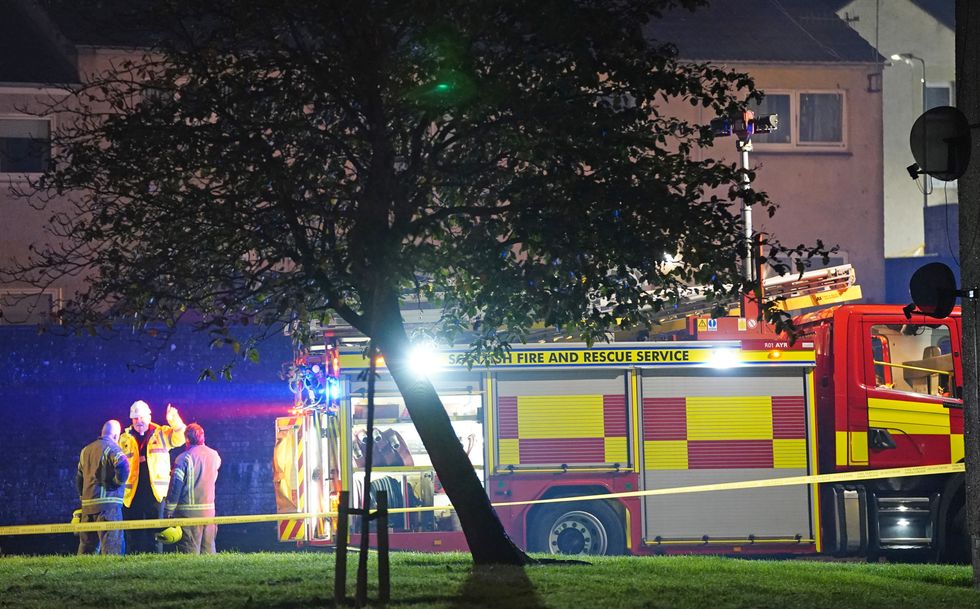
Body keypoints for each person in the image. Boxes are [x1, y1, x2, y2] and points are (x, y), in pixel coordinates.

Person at [119, 399, 186, 553]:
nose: (139, 421)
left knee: (156, 531)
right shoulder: (124, 438)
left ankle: (155, 558)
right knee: (132, 531)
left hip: (155, 492)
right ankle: (133, 559)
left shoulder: (161, 433)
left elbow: (180, 438)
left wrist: (174, 420)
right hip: (132, 494)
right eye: (135, 418)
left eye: (142, 417)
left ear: (149, 417)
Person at [165, 423, 221, 554]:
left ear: (187, 440)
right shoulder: (215, 456)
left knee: (190, 555)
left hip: (188, 516)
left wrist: (169, 509)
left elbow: (175, 488)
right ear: (203, 437)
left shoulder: (183, 459)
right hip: (209, 514)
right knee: (209, 552)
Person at [76, 419, 130, 555]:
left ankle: (80, 575)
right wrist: (117, 482)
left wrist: (82, 497)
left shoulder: (85, 451)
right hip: (108, 507)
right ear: (116, 436)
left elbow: (79, 478)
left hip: (88, 507)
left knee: (86, 551)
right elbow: (124, 465)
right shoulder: (112, 448)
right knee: (113, 551)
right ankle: (113, 576)